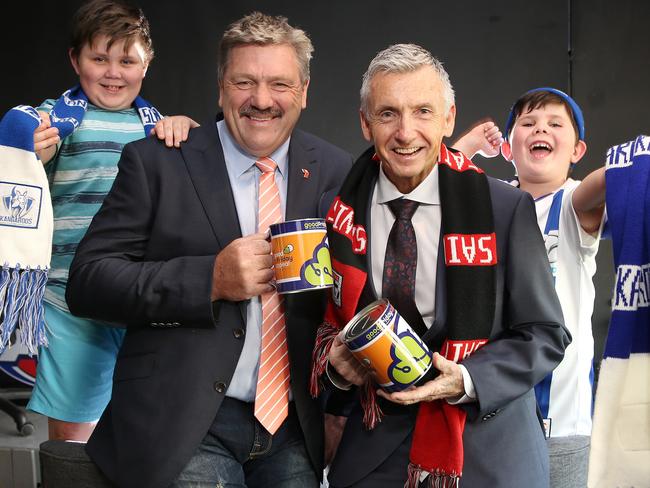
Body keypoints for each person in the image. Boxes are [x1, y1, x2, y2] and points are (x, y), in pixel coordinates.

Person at [65, 11, 352, 488]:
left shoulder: (336, 170)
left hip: (295, 430)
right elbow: (89, 282)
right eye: (245, 81)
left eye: (279, 84)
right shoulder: (158, 161)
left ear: (303, 91)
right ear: (221, 86)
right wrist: (210, 280)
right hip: (184, 423)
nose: (261, 100)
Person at [310, 44, 569, 488]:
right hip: (373, 460)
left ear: (448, 119)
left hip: (489, 457)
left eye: (423, 111)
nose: (406, 132)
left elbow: (544, 333)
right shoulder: (333, 213)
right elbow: (314, 335)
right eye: (388, 113)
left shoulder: (503, 208)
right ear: (365, 122)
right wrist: (335, 370)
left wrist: (466, 379)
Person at [25, 0, 196, 442]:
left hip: (137, 300)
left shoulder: (157, 127)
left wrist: (183, 131)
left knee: (141, 433)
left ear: (147, 63)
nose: (113, 72)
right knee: (74, 438)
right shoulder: (52, 120)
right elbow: (18, 195)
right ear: (74, 59)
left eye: (127, 60)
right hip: (68, 300)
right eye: (99, 58)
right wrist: (32, 155)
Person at [455, 88, 607, 487]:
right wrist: (466, 148)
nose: (542, 128)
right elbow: (436, 185)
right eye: (528, 123)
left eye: (556, 125)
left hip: (562, 425)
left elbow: (600, 186)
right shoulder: (488, 204)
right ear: (508, 146)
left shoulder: (573, 203)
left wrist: (628, 165)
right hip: (494, 420)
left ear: (577, 150)